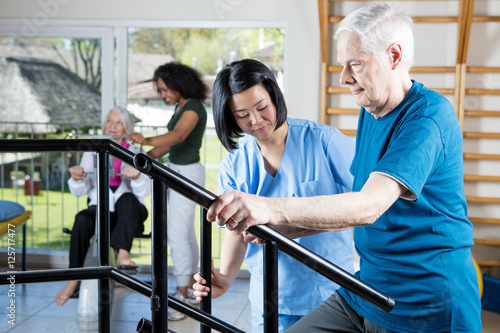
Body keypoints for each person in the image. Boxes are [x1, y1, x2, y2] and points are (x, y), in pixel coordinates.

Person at [200, 5, 482, 333]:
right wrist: (289, 231)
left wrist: (268, 208)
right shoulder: (372, 112)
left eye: (355, 64)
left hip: (423, 299)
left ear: (393, 56)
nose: (344, 77)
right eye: (343, 65)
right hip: (366, 288)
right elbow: (352, 204)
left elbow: (368, 206)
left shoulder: (427, 117)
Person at [192, 59, 355, 332]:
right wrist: (227, 277)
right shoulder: (234, 164)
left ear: (274, 96)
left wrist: (294, 225)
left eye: (261, 107)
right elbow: (235, 231)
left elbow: (364, 206)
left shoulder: (325, 142)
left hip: (328, 294)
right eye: (242, 115)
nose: (255, 120)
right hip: (270, 296)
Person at [129, 62, 207, 315]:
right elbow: (167, 147)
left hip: (188, 173)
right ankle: (194, 291)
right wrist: (142, 160)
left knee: (176, 234)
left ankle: (182, 295)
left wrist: (146, 140)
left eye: (165, 89)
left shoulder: (193, 106)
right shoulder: (181, 107)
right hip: (178, 169)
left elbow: (178, 137)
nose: (163, 95)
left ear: (179, 84)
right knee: (185, 233)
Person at [55, 106, 150, 306]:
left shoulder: (135, 150)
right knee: (81, 219)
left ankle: (123, 253)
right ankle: (74, 281)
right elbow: (79, 190)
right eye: (109, 121)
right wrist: (77, 177)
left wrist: (138, 175)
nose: (112, 126)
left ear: (127, 128)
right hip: (101, 208)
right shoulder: (92, 149)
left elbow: (143, 193)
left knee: (128, 199)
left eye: (118, 122)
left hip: (129, 213)